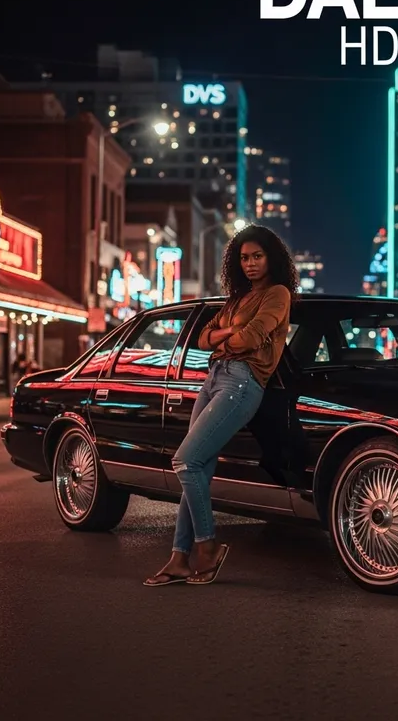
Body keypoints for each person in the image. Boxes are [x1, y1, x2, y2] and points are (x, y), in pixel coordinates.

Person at [144, 225, 298, 587]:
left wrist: (225, 338)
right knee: (197, 467)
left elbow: (251, 337)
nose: (250, 264)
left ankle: (207, 546)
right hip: (213, 379)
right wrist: (228, 337)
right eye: (244, 258)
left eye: (257, 256)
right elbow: (201, 337)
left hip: (242, 382)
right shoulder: (236, 300)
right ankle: (179, 559)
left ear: (271, 258)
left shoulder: (277, 294)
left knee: (185, 460)